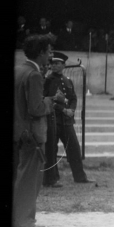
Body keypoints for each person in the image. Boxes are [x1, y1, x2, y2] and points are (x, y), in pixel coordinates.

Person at [13, 34, 59, 227]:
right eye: (48, 52)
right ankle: (23, 220)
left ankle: (19, 218)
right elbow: (36, 109)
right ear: (40, 53)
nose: (50, 56)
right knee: (30, 180)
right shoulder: (34, 75)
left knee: (22, 176)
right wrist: (50, 101)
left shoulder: (18, 70)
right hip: (32, 135)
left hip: (20, 132)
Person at [42, 52, 91, 187]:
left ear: (63, 65)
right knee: (51, 150)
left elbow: (73, 98)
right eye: (52, 63)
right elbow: (46, 100)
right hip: (53, 120)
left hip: (67, 121)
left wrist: (72, 110)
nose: (54, 66)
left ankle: (80, 177)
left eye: (57, 63)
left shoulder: (67, 80)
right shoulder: (48, 81)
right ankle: (50, 180)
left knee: (74, 148)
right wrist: (63, 109)